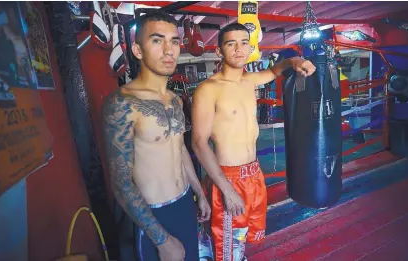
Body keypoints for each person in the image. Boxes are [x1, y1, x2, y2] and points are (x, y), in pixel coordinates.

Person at [191, 23, 316, 261]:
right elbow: (198, 143)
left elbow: (275, 70)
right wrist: (226, 189)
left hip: (253, 173)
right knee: (227, 245)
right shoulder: (208, 89)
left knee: (239, 239)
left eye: (243, 43)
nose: (239, 49)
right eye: (231, 43)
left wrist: (295, 62)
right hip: (227, 178)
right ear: (219, 52)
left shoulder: (249, 81)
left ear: (251, 48)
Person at [101, 11, 211, 261]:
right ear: (138, 50)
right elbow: (121, 183)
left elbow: (179, 149)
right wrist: (161, 240)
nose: (169, 49)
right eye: (157, 40)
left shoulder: (173, 99)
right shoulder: (122, 103)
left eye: (174, 41)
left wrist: (199, 193)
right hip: (151, 216)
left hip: (184, 203)